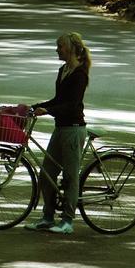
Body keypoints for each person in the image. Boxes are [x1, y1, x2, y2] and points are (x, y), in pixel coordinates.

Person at [25, 32, 91, 235]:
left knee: (71, 177)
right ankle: (47, 217)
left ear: (70, 49)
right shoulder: (64, 70)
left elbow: (72, 105)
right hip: (60, 128)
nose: (57, 50)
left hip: (73, 130)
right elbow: (58, 99)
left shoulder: (79, 73)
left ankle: (67, 222)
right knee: (47, 174)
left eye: (60, 46)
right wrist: (37, 107)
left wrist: (49, 111)